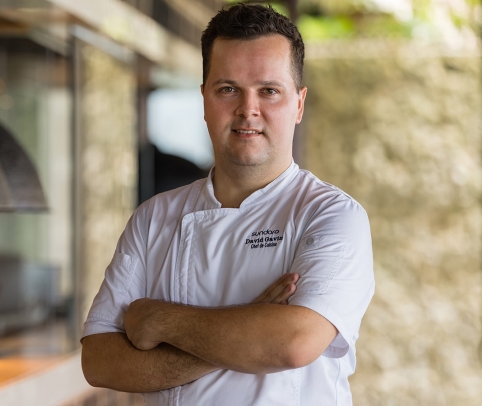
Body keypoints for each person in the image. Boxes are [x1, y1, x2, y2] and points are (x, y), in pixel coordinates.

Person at [80, 3, 374, 405]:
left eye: (269, 91)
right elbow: (99, 361)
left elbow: (293, 343)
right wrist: (252, 325)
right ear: (204, 98)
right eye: (228, 89)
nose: (247, 109)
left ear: (299, 104)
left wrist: (158, 320)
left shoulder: (331, 215)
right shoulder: (154, 218)